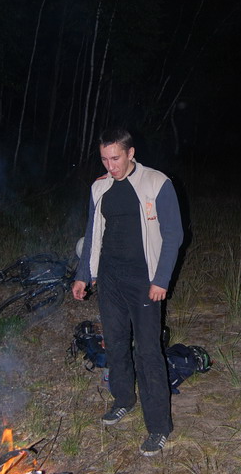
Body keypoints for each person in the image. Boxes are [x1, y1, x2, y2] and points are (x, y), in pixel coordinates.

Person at [72, 127, 183, 455]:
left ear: (131, 153)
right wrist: (84, 275)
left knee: (148, 351)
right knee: (116, 342)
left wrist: (161, 279)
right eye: (105, 159)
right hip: (110, 278)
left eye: (116, 158)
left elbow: (174, 234)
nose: (111, 166)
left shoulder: (157, 183)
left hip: (144, 281)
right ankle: (123, 399)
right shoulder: (100, 186)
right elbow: (92, 233)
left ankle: (159, 426)